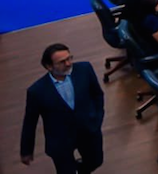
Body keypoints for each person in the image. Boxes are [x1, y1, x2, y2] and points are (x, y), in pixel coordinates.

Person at [20, 43, 105, 173]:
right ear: (49, 66)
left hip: (88, 131)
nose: (68, 63)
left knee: (96, 161)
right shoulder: (36, 91)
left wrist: (97, 118)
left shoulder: (85, 69)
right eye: (62, 62)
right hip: (60, 140)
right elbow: (30, 122)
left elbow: (97, 94)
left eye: (69, 58)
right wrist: (26, 151)